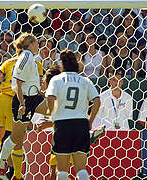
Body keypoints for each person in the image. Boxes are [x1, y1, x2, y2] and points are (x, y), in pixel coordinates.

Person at [45, 49, 101, 180]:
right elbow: (97, 100)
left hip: (62, 125)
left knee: (62, 171)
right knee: (81, 170)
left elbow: (50, 98)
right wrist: (90, 121)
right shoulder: (85, 81)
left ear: (62, 64)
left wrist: (51, 115)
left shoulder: (56, 79)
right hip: (81, 124)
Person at [0, 32, 43, 180]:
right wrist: (22, 103)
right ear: (30, 44)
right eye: (36, 42)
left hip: (34, 98)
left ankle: (81, 129)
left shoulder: (31, 58)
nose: (38, 45)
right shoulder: (26, 57)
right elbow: (17, 82)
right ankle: (1, 162)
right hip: (25, 101)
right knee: (16, 138)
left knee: (56, 109)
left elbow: (28, 81)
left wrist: (42, 92)